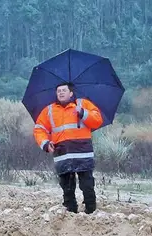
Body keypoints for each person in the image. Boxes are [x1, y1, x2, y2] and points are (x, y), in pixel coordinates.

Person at [33, 83, 103, 214]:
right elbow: (39, 129)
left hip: (82, 153)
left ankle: (91, 211)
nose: (60, 93)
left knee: (87, 185)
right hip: (62, 154)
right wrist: (46, 143)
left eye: (64, 90)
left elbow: (97, 120)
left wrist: (83, 113)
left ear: (71, 93)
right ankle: (70, 212)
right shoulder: (49, 110)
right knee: (67, 187)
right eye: (58, 90)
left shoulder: (83, 104)